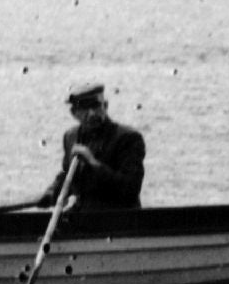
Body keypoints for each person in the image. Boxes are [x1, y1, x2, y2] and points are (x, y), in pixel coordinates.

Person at [26, 81, 146, 210]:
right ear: (74, 113)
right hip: (84, 216)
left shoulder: (128, 138)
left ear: (105, 105)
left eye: (96, 106)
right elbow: (67, 174)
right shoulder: (70, 136)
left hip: (119, 219)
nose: (92, 113)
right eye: (84, 108)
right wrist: (53, 191)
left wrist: (93, 163)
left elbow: (130, 189)